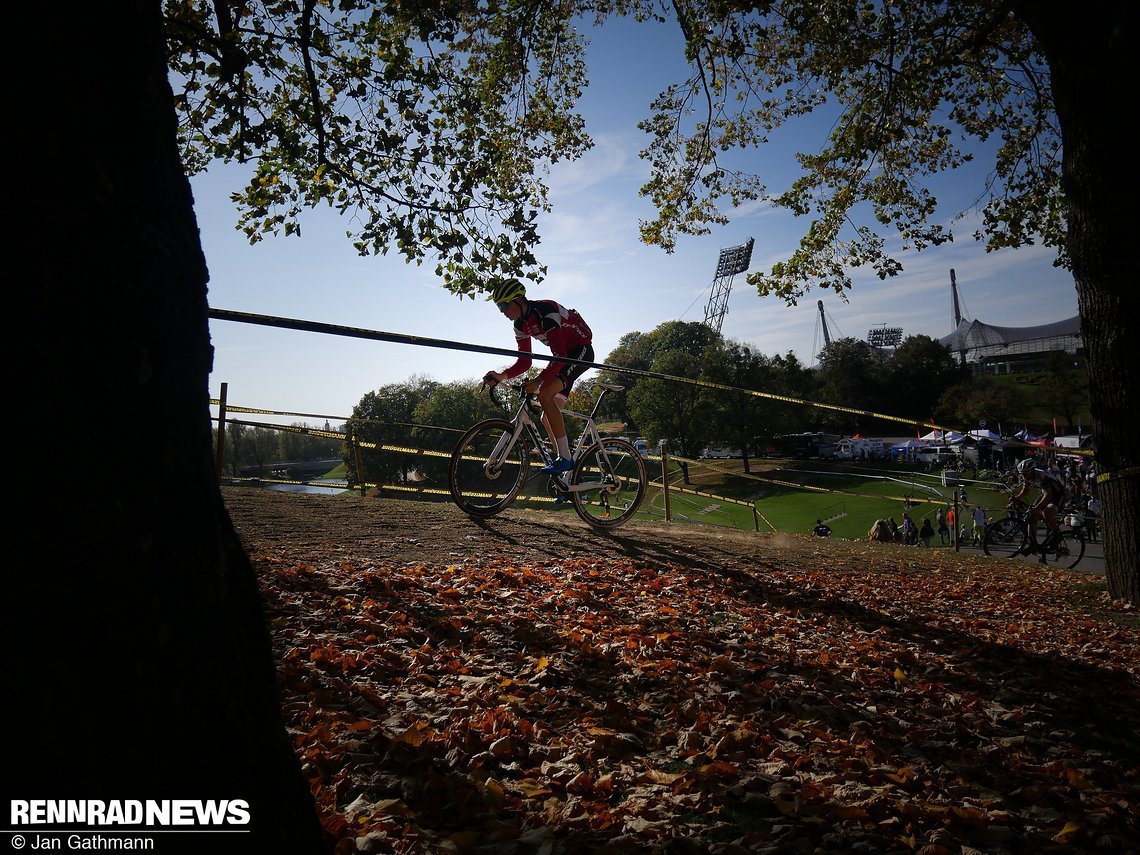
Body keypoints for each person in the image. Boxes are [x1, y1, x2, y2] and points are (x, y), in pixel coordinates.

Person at [482, 278, 594, 476]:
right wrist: (502, 376)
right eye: (499, 306)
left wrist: (538, 381)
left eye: (504, 305)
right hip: (564, 357)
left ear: (518, 300)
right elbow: (525, 362)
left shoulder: (546, 313)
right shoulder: (520, 325)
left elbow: (560, 357)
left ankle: (565, 459)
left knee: (544, 395)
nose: (502, 311)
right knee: (546, 415)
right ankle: (567, 474)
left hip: (580, 351)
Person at [1009, 457, 1067, 562]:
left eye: (1025, 473)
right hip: (1045, 493)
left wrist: (1037, 507)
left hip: (1058, 494)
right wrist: (1016, 498)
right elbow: (1025, 491)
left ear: (1032, 471)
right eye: (1021, 473)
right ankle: (1032, 544)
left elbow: (1048, 495)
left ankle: (1057, 536)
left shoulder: (1043, 476)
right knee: (1031, 516)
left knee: (1047, 513)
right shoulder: (1026, 476)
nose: (1023, 476)